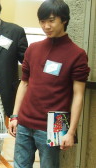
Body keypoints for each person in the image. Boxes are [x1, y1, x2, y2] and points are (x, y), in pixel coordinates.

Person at [8, 0, 90, 167]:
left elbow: (78, 95)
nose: (46, 26)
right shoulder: (33, 49)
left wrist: (71, 132)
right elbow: (24, 84)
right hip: (24, 121)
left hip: (56, 123)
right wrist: (15, 116)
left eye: (51, 20)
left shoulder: (78, 54)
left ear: (64, 20)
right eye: (42, 21)